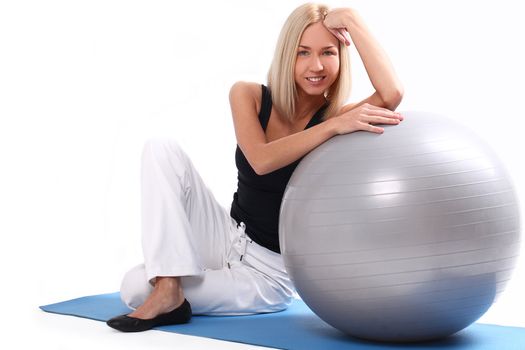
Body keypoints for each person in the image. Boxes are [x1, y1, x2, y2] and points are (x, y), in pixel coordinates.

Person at [106, 3, 404, 332]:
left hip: (268, 273)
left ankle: (169, 291)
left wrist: (350, 18)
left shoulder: (337, 118)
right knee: (160, 149)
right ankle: (169, 290)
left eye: (328, 53)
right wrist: (332, 128)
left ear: (340, 58)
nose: (315, 65)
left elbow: (391, 93)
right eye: (302, 52)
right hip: (227, 235)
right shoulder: (249, 95)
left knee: (135, 287)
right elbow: (260, 160)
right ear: (285, 54)